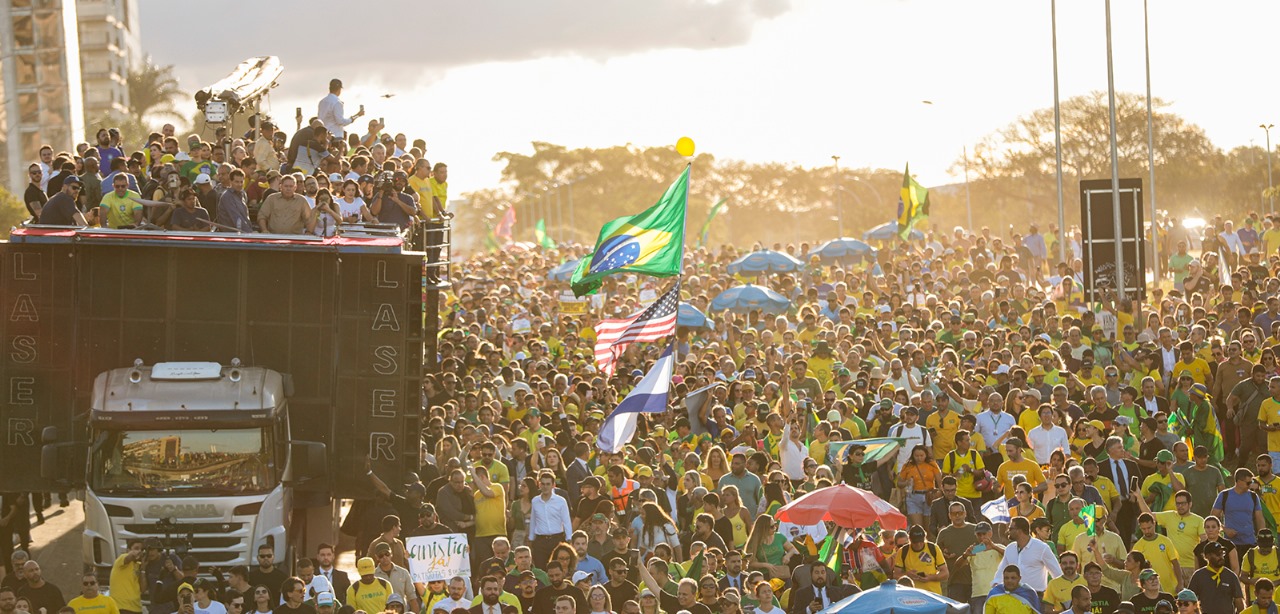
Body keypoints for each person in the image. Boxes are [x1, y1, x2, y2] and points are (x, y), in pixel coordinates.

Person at [992, 517, 1061, 595]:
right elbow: (1002, 570)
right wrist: (996, 584)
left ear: (1019, 531)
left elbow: (1057, 573)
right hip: (1013, 596)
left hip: (1036, 596)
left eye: (1011, 528)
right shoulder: (1010, 548)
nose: (1008, 531)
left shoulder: (1042, 548)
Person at [529, 470, 573, 568]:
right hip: (540, 541)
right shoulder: (535, 501)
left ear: (553, 485)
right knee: (541, 569)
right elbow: (533, 521)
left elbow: (566, 521)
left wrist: (569, 539)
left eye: (548, 484)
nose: (545, 487)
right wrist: (531, 539)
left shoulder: (560, 501)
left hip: (557, 540)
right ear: (539, 485)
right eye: (543, 484)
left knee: (557, 569)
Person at [1187, 541, 1244, 614]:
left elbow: (1239, 602)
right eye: (1217, 554)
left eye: (1222, 553)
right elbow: (1189, 600)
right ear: (1207, 556)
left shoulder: (1231, 576)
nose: (1221, 557)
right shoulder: (1198, 576)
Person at [786, 561, 856, 613]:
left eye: (823, 572)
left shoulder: (836, 592)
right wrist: (809, 609)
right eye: (817, 572)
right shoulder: (801, 593)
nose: (820, 576)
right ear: (811, 575)